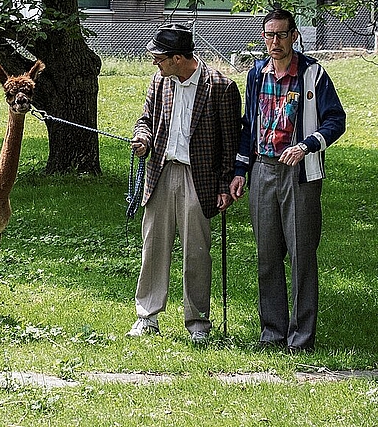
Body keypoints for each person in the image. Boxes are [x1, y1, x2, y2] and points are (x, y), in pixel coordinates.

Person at [229, 8, 346, 353]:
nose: (275, 42)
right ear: (263, 37)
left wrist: (306, 145)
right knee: (267, 256)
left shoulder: (313, 74)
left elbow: (335, 121)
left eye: (281, 35)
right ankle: (272, 333)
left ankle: (301, 338)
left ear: (294, 36)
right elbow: (248, 127)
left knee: (301, 255)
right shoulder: (255, 74)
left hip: (299, 173)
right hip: (262, 169)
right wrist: (240, 172)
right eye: (269, 35)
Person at [126, 23, 241, 343]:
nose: (154, 62)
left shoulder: (221, 86)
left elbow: (230, 142)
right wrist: (142, 138)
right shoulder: (159, 81)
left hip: (199, 178)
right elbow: (146, 119)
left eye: (159, 57)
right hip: (161, 173)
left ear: (178, 58)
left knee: (196, 252)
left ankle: (198, 324)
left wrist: (223, 185)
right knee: (153, 247)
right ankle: (147, 317)